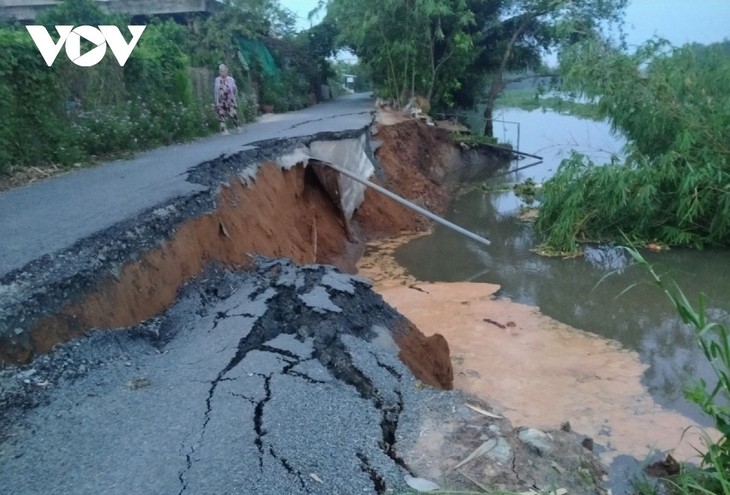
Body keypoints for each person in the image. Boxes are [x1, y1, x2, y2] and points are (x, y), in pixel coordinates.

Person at [214, 64, 239, 134]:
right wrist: (217, 102)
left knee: (233, 113)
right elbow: (216, 91)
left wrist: (234, 94)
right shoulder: (217, 80)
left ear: (227, 71)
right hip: (221, 100)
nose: (223, 73)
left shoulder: (230, 79)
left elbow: (234, 89)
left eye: (224, 71)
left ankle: (236, 126)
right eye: (221, 71)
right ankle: (224, 130)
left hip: (229, 99)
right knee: (221, 114)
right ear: (219, 72)